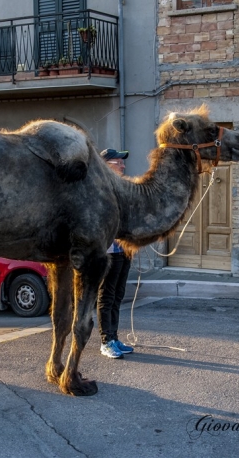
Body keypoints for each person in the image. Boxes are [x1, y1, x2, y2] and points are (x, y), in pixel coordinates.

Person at [98, 148, 135, 359]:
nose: (123, 165)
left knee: (118, 295)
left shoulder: (121, 188)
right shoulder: (102, 188)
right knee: (107, 295)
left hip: (124, 249)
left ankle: (114, 337)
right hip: (108, 250)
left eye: (122, 162)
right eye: (118, 162)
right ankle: (106, 341)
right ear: (108, 165)